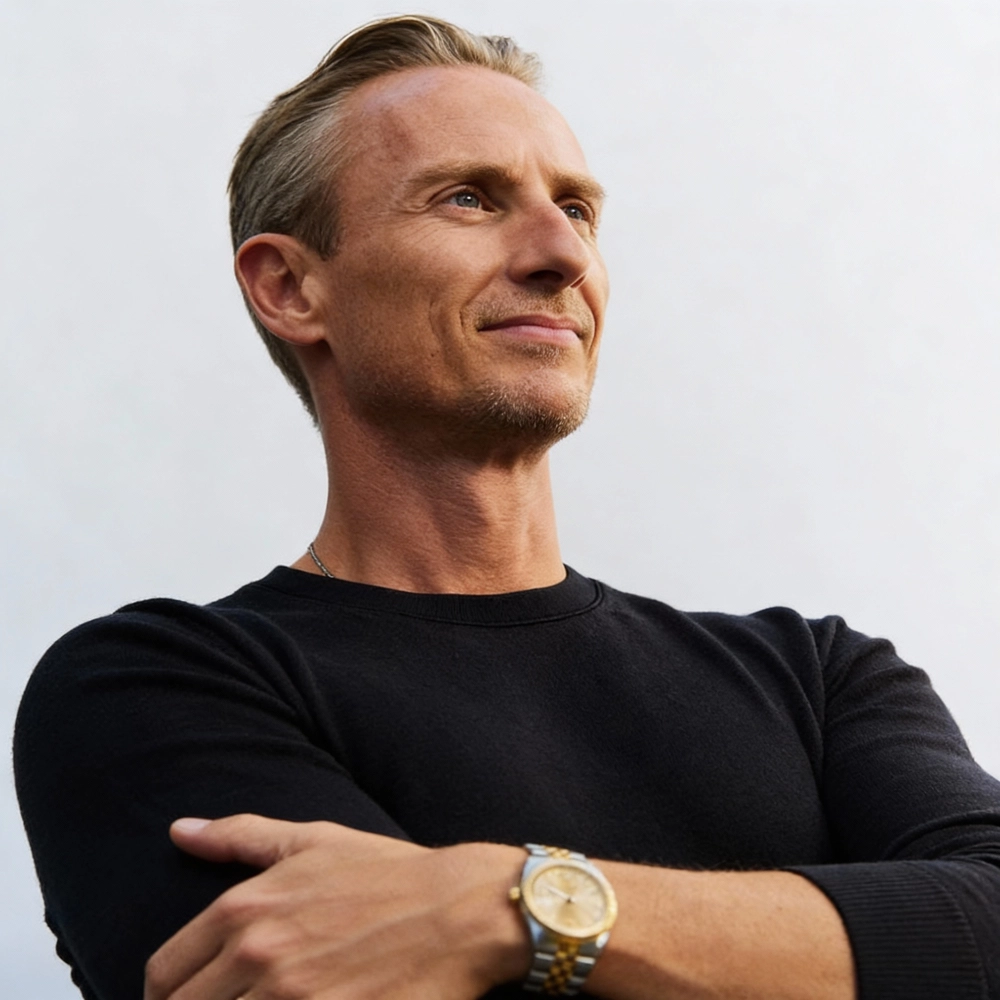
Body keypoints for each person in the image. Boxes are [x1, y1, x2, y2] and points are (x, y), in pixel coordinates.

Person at [14, 14, 1000, 1000]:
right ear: (290, 287)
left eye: (577, 208)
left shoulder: (817, 679)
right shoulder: (148, 689)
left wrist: (505, 905)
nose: (560, 253)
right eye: (468, 198)